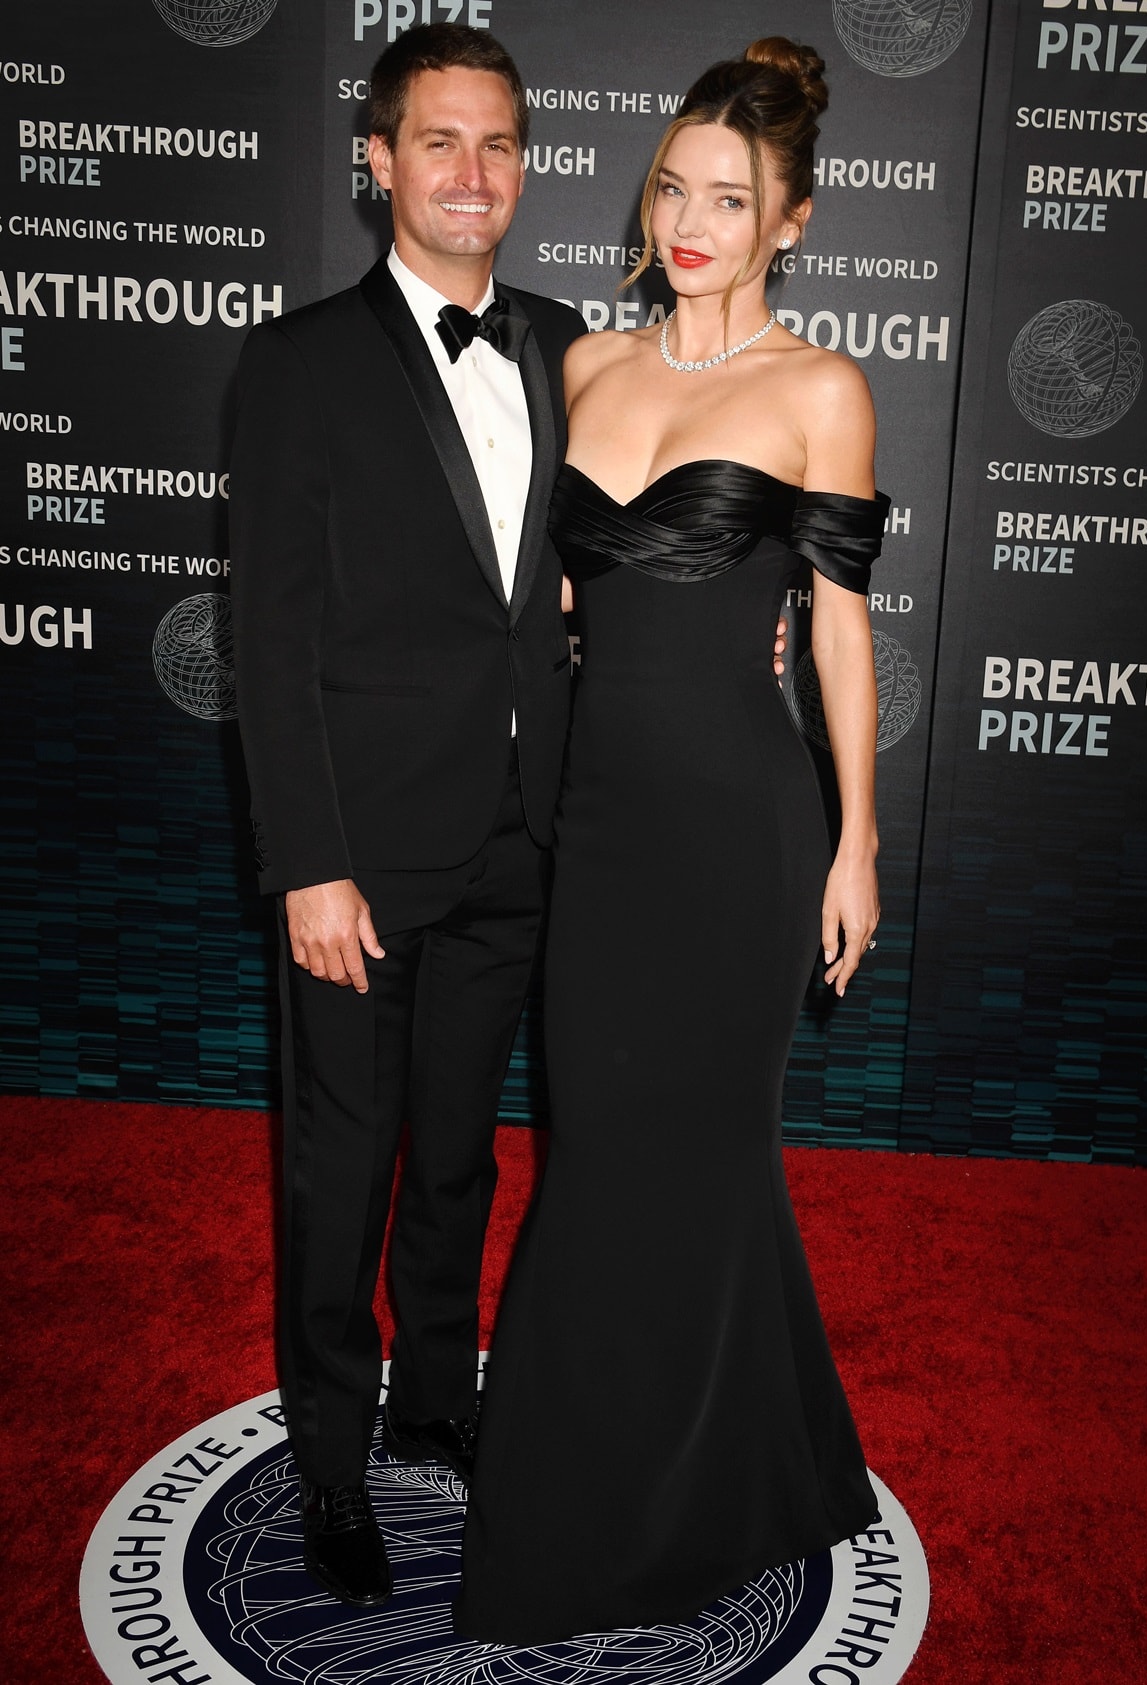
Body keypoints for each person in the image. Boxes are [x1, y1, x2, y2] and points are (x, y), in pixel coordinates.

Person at [455, 37, 886, 1643]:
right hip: (601, 827)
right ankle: (772, 1454)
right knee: (618, 1155)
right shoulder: (589, 368)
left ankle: (592, 1530)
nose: (692, 220)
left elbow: (838, 632)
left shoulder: (821, 389)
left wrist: (855, 847)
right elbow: (560, 599)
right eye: (674, 187)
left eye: (734, 199)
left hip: (739, 835)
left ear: (794, 223)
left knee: (676, 1164)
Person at [229, 23, 588, 1609]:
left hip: (524, 833)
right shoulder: (300, 362)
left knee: (459, 1150)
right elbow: (271, 633)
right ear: (377, 162)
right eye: (438, 142)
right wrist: (305, 859)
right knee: (345, 1162)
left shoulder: (571, 342)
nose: (472, 174)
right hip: (359, 858)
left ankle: (437, 1396)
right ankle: (327, 1456)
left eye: (499, 144)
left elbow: (595, 572)